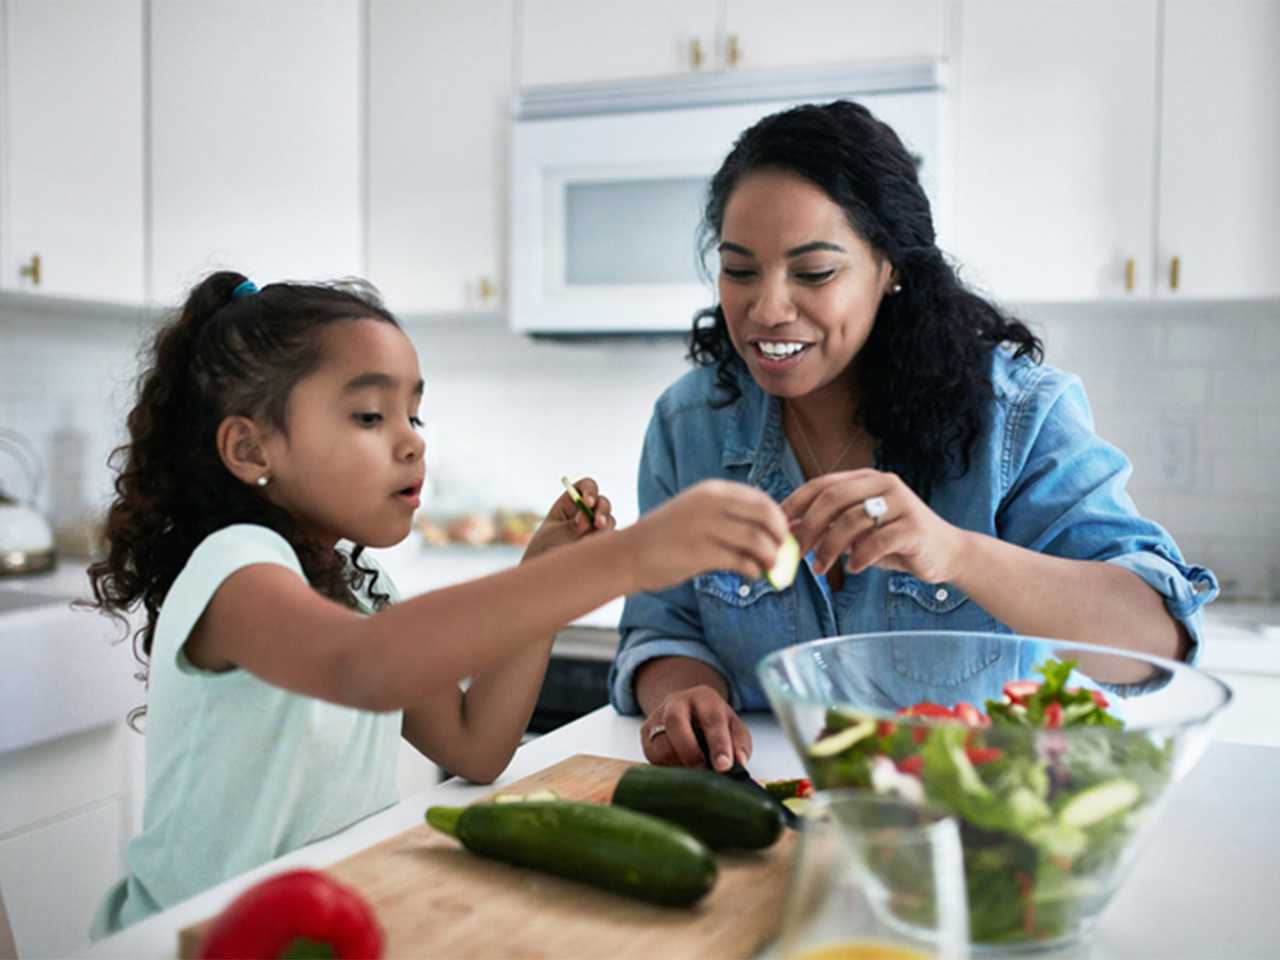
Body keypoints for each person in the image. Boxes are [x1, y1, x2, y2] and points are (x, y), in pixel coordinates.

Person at [86, 272, 790, 935]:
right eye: (369, 415)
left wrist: (546, 572)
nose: (411, 446)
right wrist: (629, 557)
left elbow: (475, 744)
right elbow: (361, 667)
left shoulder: (363, 590)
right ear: (249, 447)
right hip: (185, 938)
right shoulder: (236, 566)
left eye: (415, 417)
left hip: (317, 920)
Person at [608, 100, 1218, 774]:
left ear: (890, 267)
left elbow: (1154, 643)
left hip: (974, 827)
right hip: (764, 817)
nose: (767, 309)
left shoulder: (1017, 417)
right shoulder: (688, 425)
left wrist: (955, 553)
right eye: (740, 270)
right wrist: (686, 691)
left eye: (814, 273)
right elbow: (663, 627)